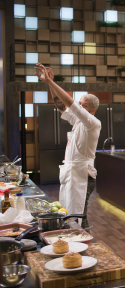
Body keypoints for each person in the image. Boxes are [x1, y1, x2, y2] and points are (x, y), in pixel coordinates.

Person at [34, 64, 101, 228]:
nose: (79, 107)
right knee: (67, 214)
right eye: (80, 104)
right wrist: (49, 83)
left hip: (82, 176)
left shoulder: (92, 123)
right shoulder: (77, 121)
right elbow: (62, 106)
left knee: (77, 217)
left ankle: (86, 247)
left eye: (83, 105)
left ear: (92, 110)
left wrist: (51, 80)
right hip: (71, 173)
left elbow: (70, 102)